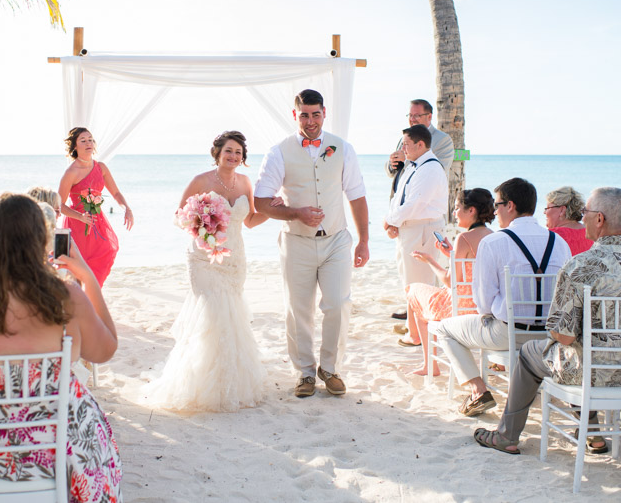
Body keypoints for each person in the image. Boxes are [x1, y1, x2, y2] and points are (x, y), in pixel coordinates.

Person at [0, 193, 121, 501]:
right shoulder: (65, 296)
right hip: (55, 451)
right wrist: (87, 276)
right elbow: (105, 350)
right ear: (42, 240)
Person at [473, 187, 621, 455]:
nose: (583, 217)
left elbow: (564, 337)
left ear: (600, 219)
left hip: (589, 373)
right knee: (577, 352)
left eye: (585, 213)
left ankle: (507, 435)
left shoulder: (580, 266)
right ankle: (591, 432)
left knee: (533, 352)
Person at [147, 131, 274, 412]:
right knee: (212, 316)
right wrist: (200, 222)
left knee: (232, 321)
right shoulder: (201, 181)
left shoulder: (245, 182)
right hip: (204, 259)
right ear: (217, 152)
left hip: (234, 259)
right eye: (229, 151)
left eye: (239, 153)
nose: (234, 156)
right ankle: (200, 384)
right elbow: (178, 216)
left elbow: (250, 220)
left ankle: (230, 383)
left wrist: (275, 209)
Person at [254, 89, 370, 398]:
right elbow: (261, 201)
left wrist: (364, 241)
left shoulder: (343, 148)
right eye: (304, 115)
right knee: (298, 309)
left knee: (338, 305)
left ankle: (330, 368)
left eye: (315, 114)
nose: (310, 121)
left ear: (324, 113)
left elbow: (356, 195)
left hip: (336, 241)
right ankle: (304, 372)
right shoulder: (279, 151)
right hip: (296, 242)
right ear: (295, 116)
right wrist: (295, 213)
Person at [434, 178, 571, 416]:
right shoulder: (559, 242)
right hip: (549, 335)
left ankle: (478, 391)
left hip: (508, 333)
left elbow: (483, 302)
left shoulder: (494, 242)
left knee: (444, 328)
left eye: (497, 205)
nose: (494, 211)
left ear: (510, 206)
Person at [400, 188, 496, 376]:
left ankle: (430, 365)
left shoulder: (464, 237)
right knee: (422, 295)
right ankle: (430, 364)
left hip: (461, 306)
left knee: (414, 291)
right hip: (483, 305)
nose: (454, 212)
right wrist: (451, 254)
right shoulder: (493, 235)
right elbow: (473, 268)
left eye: (458, 207)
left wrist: (430, 260)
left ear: (472, 211)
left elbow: (452, 281)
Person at [383, 124, 449, 315]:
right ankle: (413, 325)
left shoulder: (430, 168)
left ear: (420, 145)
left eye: (406, 144)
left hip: (423, 229)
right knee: (409, 279)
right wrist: (393, 221)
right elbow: (399, 196)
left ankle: (419, 330)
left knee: (420, 281)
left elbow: (415, 204)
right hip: (410, 228)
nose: (402, 149)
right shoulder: (414, 165)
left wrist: (389, 220)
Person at [58, 127, 134, 287]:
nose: (88, 143)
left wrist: (126, 208)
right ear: (74, 147)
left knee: (105, 253)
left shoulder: (101, 167)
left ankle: (92, 295)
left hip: (97, 223)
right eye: (83, 140)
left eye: (90, 139)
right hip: (77, 225)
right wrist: (80, 216)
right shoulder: (71, 172)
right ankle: (79, 303)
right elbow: (59, 205)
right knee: (75, 270)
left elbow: (116, 193)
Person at [543, 186, 592, 256]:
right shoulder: (591, 232)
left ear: (562, 210)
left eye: (548, 208)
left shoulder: (552, 236)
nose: (544, 212)